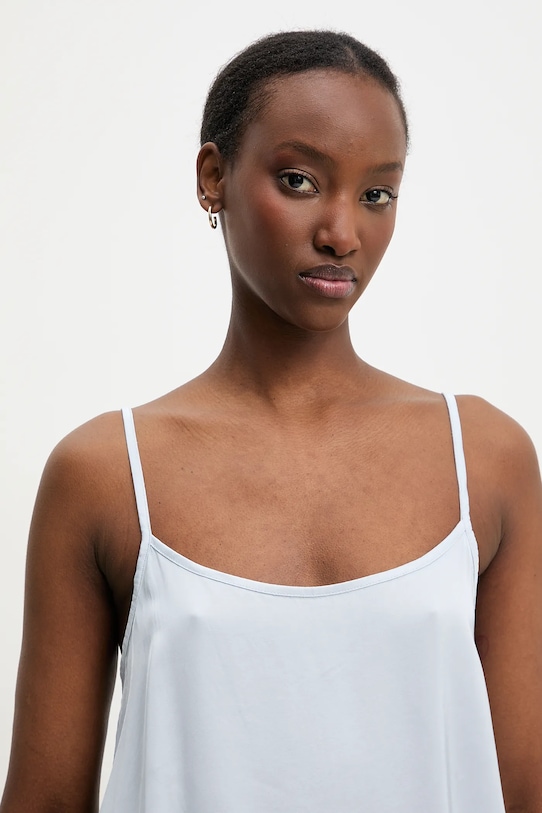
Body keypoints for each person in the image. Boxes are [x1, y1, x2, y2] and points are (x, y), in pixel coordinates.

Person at [1, 29, 541, 813]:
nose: (343, 233)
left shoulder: (485, 459)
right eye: (299, 180)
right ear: (213, 177)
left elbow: (524, 790)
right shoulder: (106, 474)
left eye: (377, 194)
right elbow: (45, 801)